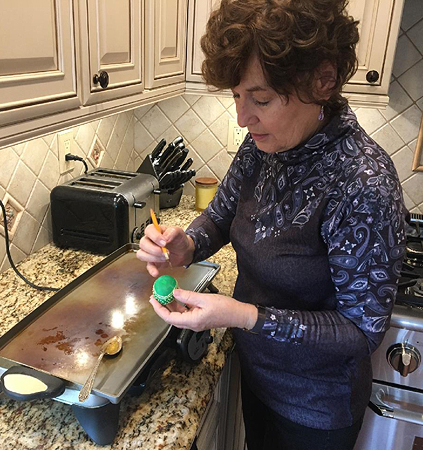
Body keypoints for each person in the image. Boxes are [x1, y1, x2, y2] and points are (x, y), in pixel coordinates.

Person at [137, 1, 407, 449]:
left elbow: (361, 331)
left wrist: (243, 315)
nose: (243, 117)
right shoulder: (262, 142)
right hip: (257, 374)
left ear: (322, 80)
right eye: (237, 97)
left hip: (315, 409)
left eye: (260, 99)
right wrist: (188, 243)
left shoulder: (363, 183)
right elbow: (222, 214)